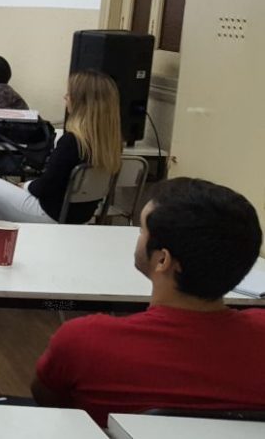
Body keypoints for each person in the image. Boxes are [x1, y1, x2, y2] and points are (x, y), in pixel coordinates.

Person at [32, 177, 265, 426]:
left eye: (141, 229)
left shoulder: (83, 340)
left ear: (162, 260)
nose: (138, 236)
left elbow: (48, 401)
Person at [0, 70, 122, 224]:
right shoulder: (111, 145)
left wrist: (25, 186)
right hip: (78, 216)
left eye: (69, 94)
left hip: (49, 212)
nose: (65, 97)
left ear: (81, 101)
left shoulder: (72, 141)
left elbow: (46, 186)